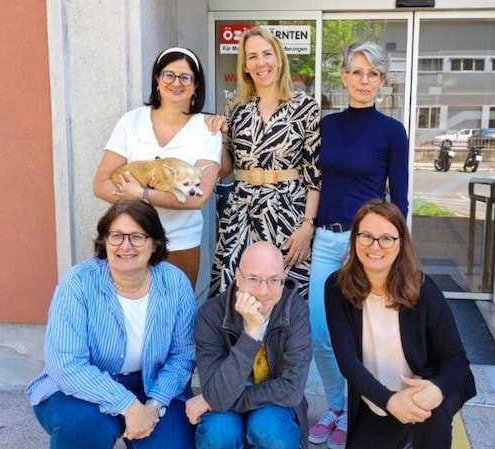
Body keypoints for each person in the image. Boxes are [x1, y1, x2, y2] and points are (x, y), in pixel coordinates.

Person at [26, 200, 196, 449]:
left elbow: (183, 356)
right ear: (104, 241)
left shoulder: (175, 283)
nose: (125, 246)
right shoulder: (78, 283)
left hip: (152, 385)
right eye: (116, 236)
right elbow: (65, 364)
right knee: (85, 425)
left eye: (137, 236)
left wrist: (154, 405)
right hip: (83, 389)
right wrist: (126, 404)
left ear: (155, 243)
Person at [307, 41, 410, 448]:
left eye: (373, 74)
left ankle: (358, 410)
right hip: (325, 240)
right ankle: (335, 405)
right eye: (357, 71)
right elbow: (313, 181)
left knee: (359, 336)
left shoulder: (391, 131)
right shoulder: (326, 126)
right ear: (344, 77)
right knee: (320, 331)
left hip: (365, 247)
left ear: (382, 82)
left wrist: (388, 249)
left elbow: (398, 200)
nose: (364, 80)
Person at [325, 199, 476, 449]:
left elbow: (456, 359)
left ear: (401, 243)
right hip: (377, 395)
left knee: (430, 412)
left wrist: (436, 390)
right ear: (354, 239)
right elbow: (348, 362)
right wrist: (389, 401)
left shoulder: (423, 289)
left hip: (426, 385)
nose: (375, 246)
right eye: (366, 236)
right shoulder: (337, 287)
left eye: (386, 238)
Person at [207, 26, 321, 298]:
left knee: (285, 293)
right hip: (241, 211)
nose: (261, 63)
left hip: (288, 213)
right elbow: (225, 170)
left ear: (279, 58)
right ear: (245, 65)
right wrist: (220, 137)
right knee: (237, 291)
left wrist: (308, 226)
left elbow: (314, 175)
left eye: (267, 54)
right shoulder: (236, 108)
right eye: (253, 56)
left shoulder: (305, 107)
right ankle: (240, 343)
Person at [93, 47, 222, 288]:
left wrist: (141, 195)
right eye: (169, 75)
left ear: (196, 86)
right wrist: (136, 200)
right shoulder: (131, 122)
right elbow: (100, 184)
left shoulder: (207, 129)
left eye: (185, 77)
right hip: (128, 242)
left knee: (176, 316)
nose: (176, 83)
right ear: (157, 80)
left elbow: (196, 198)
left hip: (180, 244)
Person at [186, 241, 312, 449]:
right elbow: (215, 393)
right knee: (219, 433)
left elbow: (291, 389)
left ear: (283, 279)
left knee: (269, 428)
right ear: (237, 276)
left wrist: (213, 400)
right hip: (224, 398)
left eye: (273, 280)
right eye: (253, 279)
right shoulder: (211, 315)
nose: (263, 292)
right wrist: (251, 333)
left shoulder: (296, 310)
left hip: (275, 403)